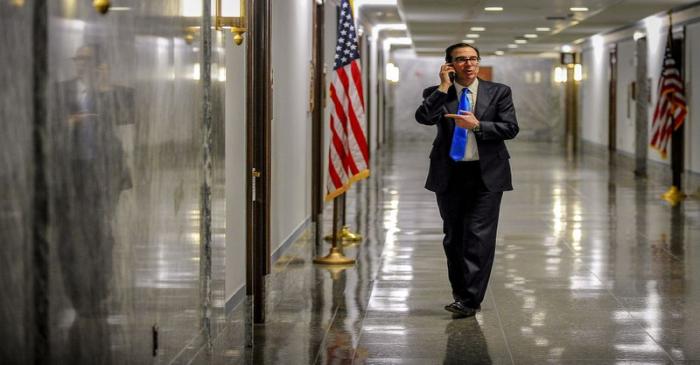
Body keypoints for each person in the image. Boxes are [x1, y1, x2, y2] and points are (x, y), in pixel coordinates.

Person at [415, 42, 518, 318]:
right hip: (450, 174)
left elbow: (510, 128)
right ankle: (460, 294)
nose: (469, 64)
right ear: (449, 65)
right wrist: (441, 87)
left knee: (478, 237)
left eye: (473, 59)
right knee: (454, 238)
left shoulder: (498, 92)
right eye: (461, 60)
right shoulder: (438, 93)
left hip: (486, 176)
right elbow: (424, 117)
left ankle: (470, 300)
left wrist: (478, 126)